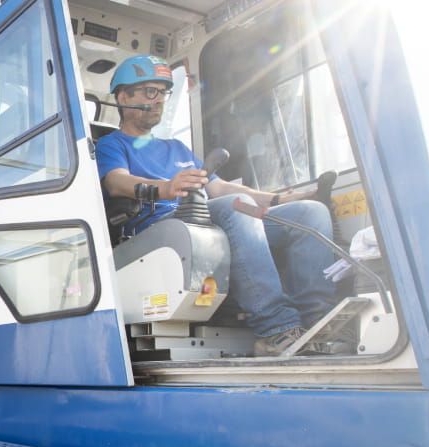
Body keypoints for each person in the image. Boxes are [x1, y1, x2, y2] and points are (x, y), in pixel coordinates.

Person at [96, 55, 338, 357]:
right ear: (123, 96)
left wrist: (278, 200)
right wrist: (167, 187)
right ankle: (277, 328)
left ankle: (319, 323)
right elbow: (116, 181)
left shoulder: (177, 148)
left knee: (310, 214)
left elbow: (220, 187)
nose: (158, 100)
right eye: (149, 91)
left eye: (163, 92)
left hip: (207, 216)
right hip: (161, 227)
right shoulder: (111, 144)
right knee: (237, 208)